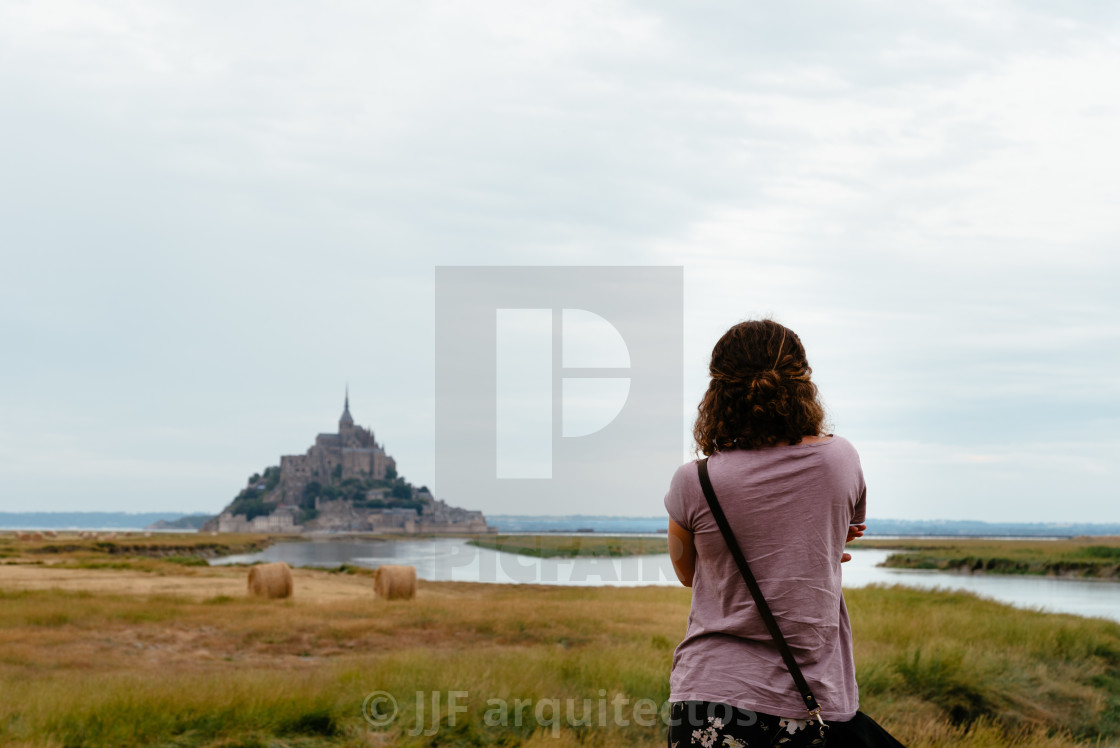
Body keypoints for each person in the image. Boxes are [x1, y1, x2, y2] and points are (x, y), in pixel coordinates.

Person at [664, 319, 867, 747]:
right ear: (803, 383)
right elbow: (838, 530)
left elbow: (688, 574)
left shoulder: (694, 481)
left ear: (717, 390)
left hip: (709, 696)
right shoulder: (840, 460)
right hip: (808, 700)